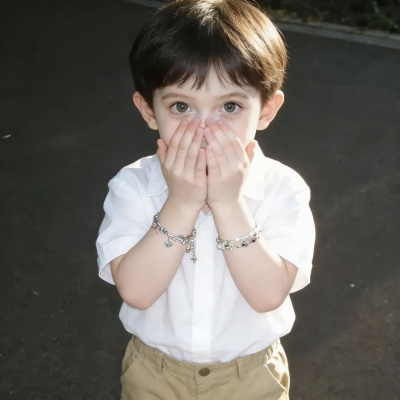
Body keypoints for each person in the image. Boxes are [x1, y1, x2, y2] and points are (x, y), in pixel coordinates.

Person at [96, 0, 315, 398]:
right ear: (148, 110)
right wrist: (181, 204)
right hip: (155, 372)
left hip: (251, 376)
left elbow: (268, 295)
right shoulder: (134, 186)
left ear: (266, 110)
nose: (203, 129)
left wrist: (229, 204)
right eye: (181, 106)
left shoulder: (282, 188)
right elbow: (136, 292)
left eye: (230, 106)